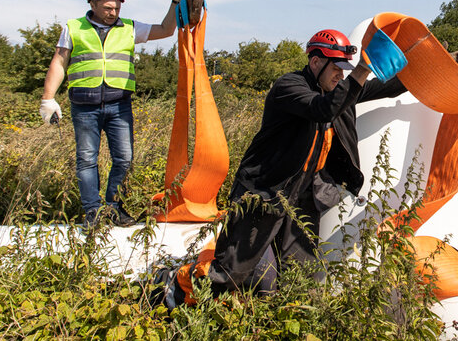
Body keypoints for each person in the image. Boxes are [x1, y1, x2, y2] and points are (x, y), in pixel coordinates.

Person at [158, 28, 407, 306]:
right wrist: (362, 69)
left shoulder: (336, 90)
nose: (341, 74)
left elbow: (381, 87)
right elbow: (322, 109)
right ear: (316, 62)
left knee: (301, 274)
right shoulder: (289, 87)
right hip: (262, 194)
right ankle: (172, 285)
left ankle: (282, 320)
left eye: (345, 69)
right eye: (336, 67)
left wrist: (433, 66)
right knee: (230, 272)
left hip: (300, 197)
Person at [39, 0, 181, 228]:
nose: (113, 13)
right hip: (84, 105)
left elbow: (167, 29)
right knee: (86, 159)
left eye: (116, 8)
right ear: (92, 4)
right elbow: (59, 63)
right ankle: (93, 211)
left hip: (119, 105)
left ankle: (114, 207)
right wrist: (48, 98)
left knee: (124, 158)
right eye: (107, 8)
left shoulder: (129, 28)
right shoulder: (74, 28)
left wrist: (175, 3)